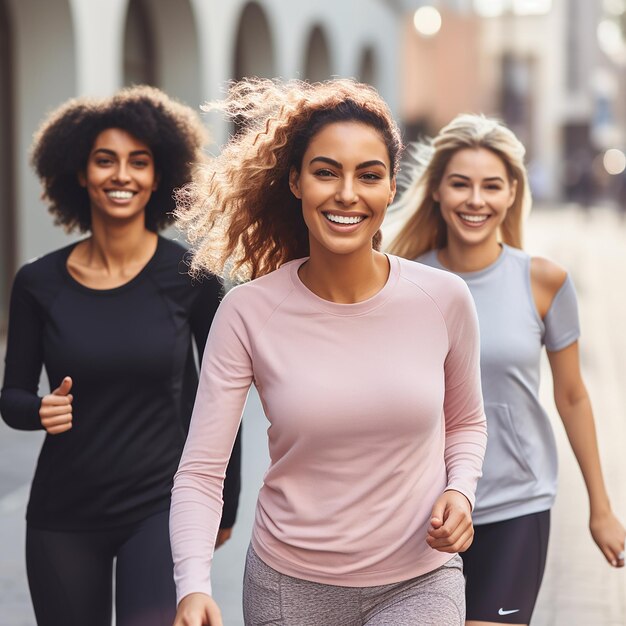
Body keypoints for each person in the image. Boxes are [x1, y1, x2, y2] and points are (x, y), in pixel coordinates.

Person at [169, 78, 488, 626]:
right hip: (287, 588)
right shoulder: (248, 312)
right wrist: (193, 586)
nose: (347, 193)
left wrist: (460, 491)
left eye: (369, 175)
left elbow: (465, 422)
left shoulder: (443, 299)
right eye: (326, 172)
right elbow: (201, 471)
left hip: (421, 580)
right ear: (295, 181)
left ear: (391, 188)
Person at [0, 85, 241, 626]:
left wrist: (224, 503)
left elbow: (220, 399)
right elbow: (11, 395)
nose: (121, 175)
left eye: (139, 162)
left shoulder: (192, 279)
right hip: (63, 515)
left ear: (159, 177)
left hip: (158, 507)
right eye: (104, 161)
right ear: (80, 173)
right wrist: (36, 410)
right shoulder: (37, 283)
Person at [388, 113, 626, 626]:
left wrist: (600, 508)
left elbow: (573, 396)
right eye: (460, 184)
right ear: (436, 192)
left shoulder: (543, 282)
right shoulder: (403, 282)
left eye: (491, 185)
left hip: (516, 503)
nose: (476, 200)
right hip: (423, 511)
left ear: (513, 193)